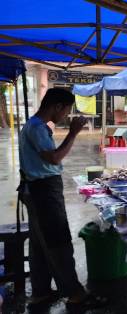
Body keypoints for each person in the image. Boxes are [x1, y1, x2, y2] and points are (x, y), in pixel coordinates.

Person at [18, 88, 107, 312]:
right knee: (59, 242)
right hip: (43, 191)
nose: (66, 116)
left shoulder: (33, 125)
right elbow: (54, 157)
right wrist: (74, 132)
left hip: (36, 190)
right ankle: (75, 294)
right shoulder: (38, 128)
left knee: (40, 244)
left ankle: (41, 292)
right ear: (57, 106)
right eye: (66, 111)